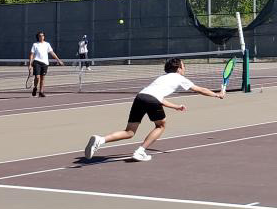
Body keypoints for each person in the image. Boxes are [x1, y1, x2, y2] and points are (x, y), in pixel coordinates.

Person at [83, 57, 225, 162]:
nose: (185, 68)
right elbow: (199, 89)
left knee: (129, 132)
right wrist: (217, 95)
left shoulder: (162, 78)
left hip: (140, 97)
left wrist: (176, 106)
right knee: (161, 125)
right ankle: (140, 151)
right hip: (151, 99)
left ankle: (100, 140)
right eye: (184, 66)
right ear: (178, 68)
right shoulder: (178, 78)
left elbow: (157, 97)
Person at [29, 32, 63, 98]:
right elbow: (31, 54)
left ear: (44, 37)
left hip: (45, 63)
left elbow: (52, 52)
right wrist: (30, 64)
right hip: (37, 62)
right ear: (38, 37)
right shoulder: (35, 44)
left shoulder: (47, 44)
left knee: (42, 78)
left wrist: (58, 60)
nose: (41, 37)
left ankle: (41, 92)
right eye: (40, 36)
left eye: (42, 36)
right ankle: (35, 87)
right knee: (37, 77)